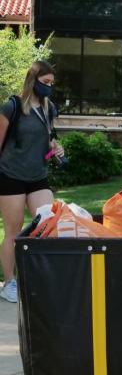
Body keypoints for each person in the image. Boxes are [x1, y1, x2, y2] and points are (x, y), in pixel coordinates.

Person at [0, 61, 63, 303]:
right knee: (14, 231)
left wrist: (56, 148)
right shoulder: (12, 107)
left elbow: (48, 139)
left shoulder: (49, 109)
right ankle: (9, 282)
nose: (49, 88)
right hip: (10, 176)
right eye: (46, 83)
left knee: (47, 225)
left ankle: (39, 279)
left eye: (51, 84)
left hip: (38, 176)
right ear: (33, 80)